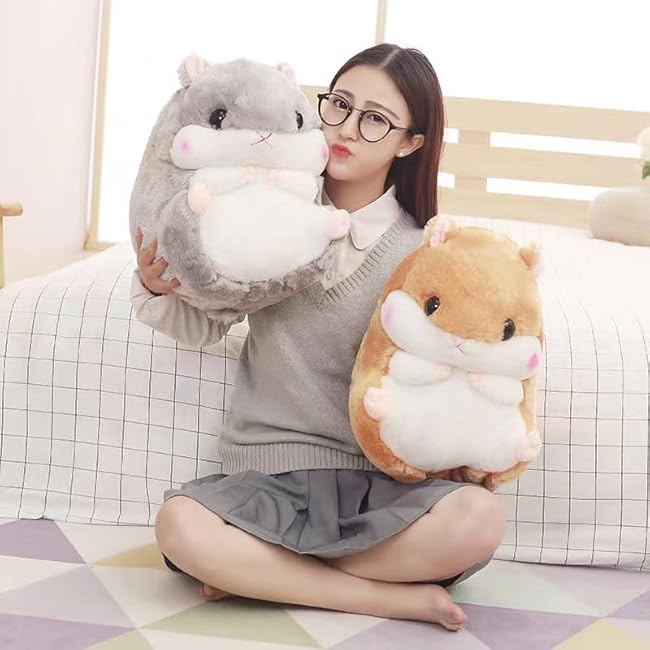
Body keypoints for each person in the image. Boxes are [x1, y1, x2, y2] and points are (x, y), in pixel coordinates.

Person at [131, 43, 505, 632]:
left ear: (410, 143)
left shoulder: (422, 255)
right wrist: (158, 287)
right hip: (264, 478)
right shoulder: (265, 218)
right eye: (339, 105)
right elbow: (207, 324)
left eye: (375, 119)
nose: (347, 129)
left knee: (480, 518)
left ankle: (263, 574)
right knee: (179, 525)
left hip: (376, 487)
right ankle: (382, 597)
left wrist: (460, 454)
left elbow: (441, 379)